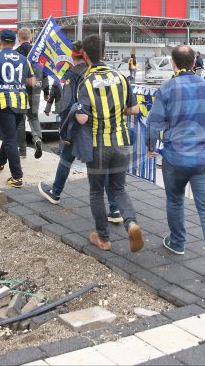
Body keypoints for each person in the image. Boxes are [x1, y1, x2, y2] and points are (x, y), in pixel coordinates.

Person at [147, 44, 205, 282]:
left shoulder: (166, 89)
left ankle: (177, 242)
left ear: (173, 63)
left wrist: (151, 147)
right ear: (194, 63)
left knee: (174, 199)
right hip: (204, 158)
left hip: (176, 157)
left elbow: (154, 123)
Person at [36, 41, 123, 224]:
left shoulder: (72, 74)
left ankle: (56, 192)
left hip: (81, 126)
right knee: (104, 167)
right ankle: (115, 209)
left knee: (66, 158)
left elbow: (68, 105)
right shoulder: (106, 74)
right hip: (104, 129)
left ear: (72, 56)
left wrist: (65, 130)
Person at [75, 34, 144, 253]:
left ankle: (103, 238)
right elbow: (134, 109)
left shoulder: (86, 81)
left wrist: (76, 111)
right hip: (122, 143)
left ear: (85, 55)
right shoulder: (121, 77)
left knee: (96, 191)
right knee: (118, 189)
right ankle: (131, 223)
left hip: (98, 145)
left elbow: (83, 118)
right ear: (105, 53)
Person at [0, 29, 35, 188]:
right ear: (14, 42)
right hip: (21, 103)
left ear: (0, 42)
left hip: (4, 103)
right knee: (9, 134)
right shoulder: (24, 60)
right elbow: (32, 82)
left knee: (10, 139)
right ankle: (0, 160)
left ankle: (17, 177)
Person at [15, 28, 44, 159]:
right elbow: (45, 73)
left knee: (20, 120)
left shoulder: (16, 54)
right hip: (36, 90)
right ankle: (37, 139)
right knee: (33, 117)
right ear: (31, 38)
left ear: (18, 38)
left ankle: (22, 151)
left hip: (21, 91)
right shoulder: (38, 53)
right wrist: (47, 91)